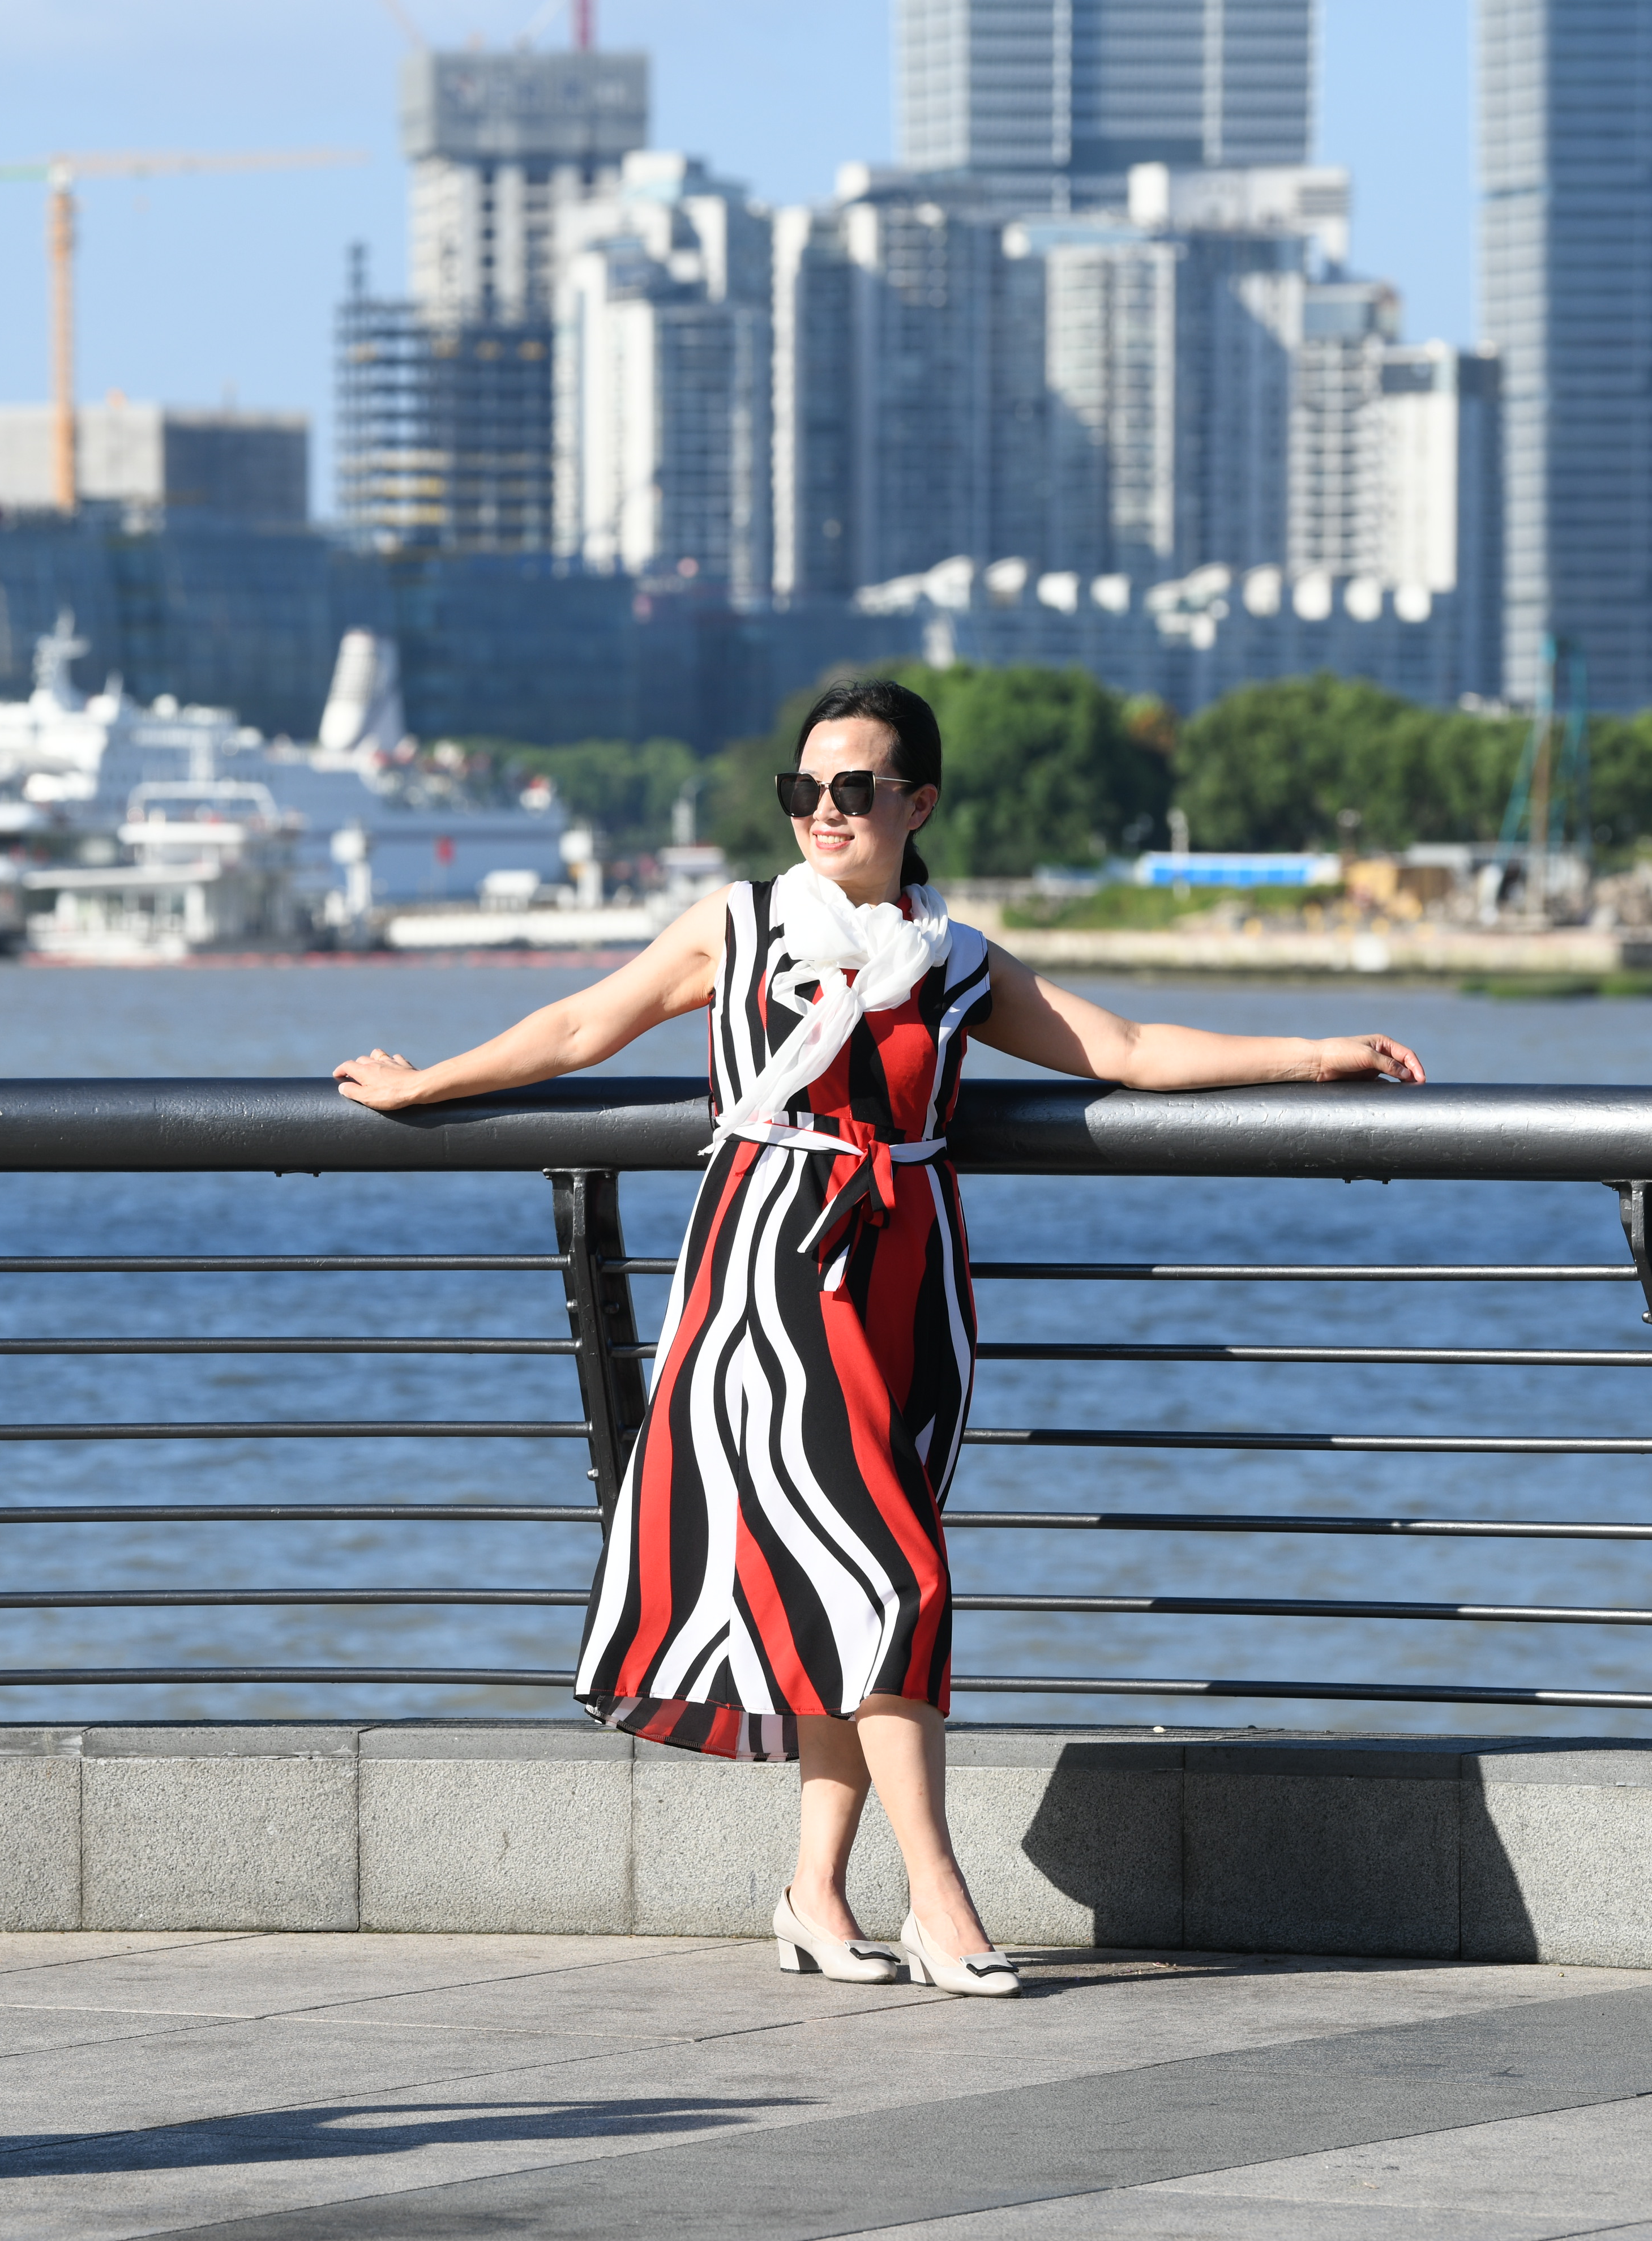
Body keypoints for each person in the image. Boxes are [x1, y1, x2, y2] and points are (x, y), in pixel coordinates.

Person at [335, 679, 1423, 1997]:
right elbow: (577, 1027)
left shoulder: (954, 960)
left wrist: (1311, 1055)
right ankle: (941, 1899)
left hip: (912, 1288)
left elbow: (1127, 1048)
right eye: (804, 789)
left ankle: (812, 1891)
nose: (825, 811)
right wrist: (423, 1084)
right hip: (774, 1273)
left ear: (920, 805)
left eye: (854, 789)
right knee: (894, 1582)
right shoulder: (738, 928)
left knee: (836, 1593)